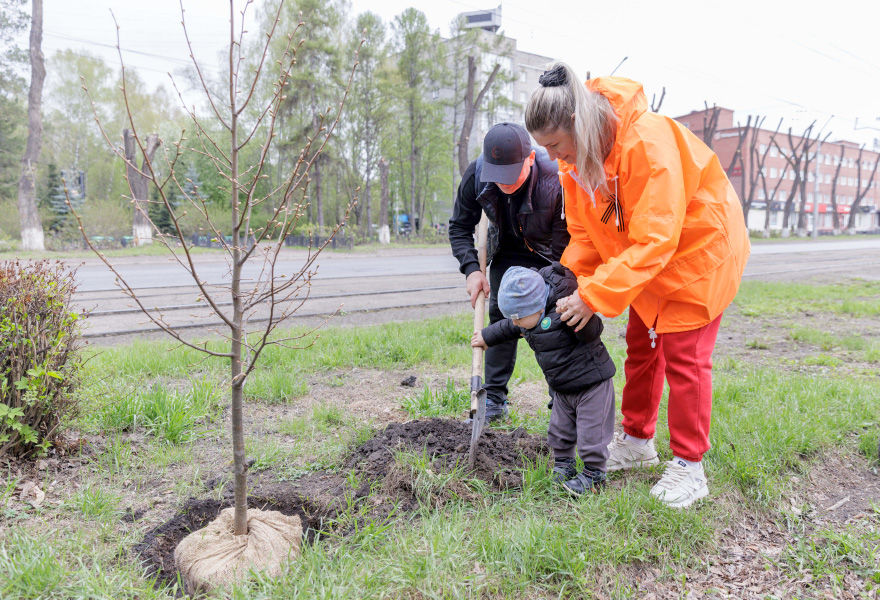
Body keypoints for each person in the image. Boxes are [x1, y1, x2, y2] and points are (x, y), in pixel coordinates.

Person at [524, 62, 750, 508]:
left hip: (698, 254)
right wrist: (568, 283)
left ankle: (690, 466)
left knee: (685, 359)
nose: (552, 158)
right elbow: (587, 234)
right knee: (641, 346)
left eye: (554, 145)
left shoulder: (647, 144)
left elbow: (656, 239)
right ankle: (637, 440)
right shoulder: (577, 162)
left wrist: (593, 295)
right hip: (646, 262)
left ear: (577, 123)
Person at [449, 122, 570, 422]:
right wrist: (472, 270)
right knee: (501, 317)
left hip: (548, 254)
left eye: (511, 176)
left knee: (554, 322)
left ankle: (562, 403)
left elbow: (566, 248)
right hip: (506, 249)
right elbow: (460, 226)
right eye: (497, 176)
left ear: (530, 159)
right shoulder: (477, 174)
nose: (503, 184)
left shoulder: (556, 179)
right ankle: (493, 401)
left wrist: (551, 286)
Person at [471, 263, 616, 495]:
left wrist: (579, 317)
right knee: (559, 432)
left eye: (518, 319)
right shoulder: (528, 316)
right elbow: (509, 327)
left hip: (591, 384)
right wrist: (486, 337)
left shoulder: (564, 310)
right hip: (561, 388)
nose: (515, 324)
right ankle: (564, 465)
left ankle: (594, 474)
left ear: (537, 307)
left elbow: (594, 331)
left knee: (592, 434)